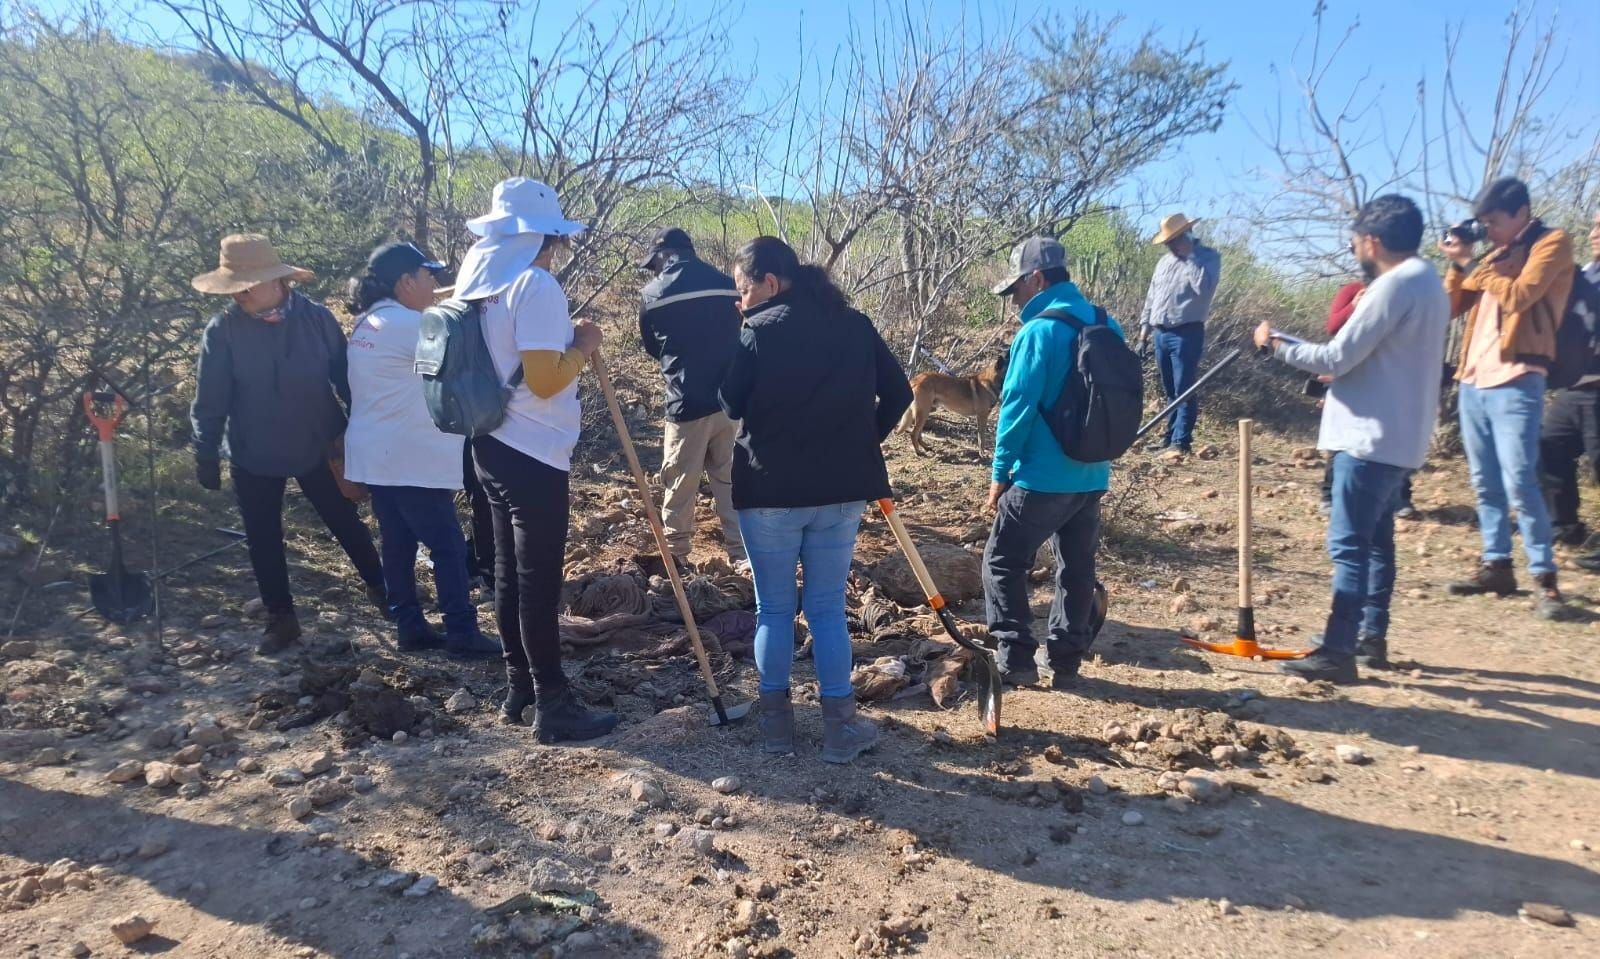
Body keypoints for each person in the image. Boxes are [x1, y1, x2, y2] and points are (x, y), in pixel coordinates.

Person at [718, 236, 912, 764]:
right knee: (826, 610)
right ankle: (840, 729)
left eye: (743, 290)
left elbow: (729, 402)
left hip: (769, 492)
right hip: (842, 492)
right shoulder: (856, 324)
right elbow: (900, 394)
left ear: (770, 283)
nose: (741, 301)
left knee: (774, 610)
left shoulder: (756, 331)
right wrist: (861, 441)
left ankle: (776, 730)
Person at [1255, 194, 1449, 682]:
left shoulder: (1392, 287)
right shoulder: (1429, 281)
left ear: (1373, 241)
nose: (1353, 249)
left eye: (1356, 240)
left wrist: (1276, 344)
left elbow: (1336, 359)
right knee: (1377, 544)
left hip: (1367, 439)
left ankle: (1338, 651)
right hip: (1399, 436)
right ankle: (1369, 638)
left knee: (1350, 547)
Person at [457, 177, 617, 743]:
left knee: (508, 573)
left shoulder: (476, 279)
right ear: (544, 237)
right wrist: (583, 345)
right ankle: (553, 702)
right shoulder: (535, 284)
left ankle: (519, 688)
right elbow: (547, 380)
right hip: (533, 449)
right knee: (538, 580)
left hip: (487, 444)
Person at [190, 234, 386, 655]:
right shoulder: (223, 331)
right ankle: (281, 619)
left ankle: (383, 589)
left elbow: (347, 379)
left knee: (343, 518)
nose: (240, 293)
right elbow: (210, 398)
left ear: (277, 282)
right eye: (235, 286)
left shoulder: (316, 319)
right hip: (252, 449)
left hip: (318, 441)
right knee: (262, 535)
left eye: (248, 284)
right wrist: (205, 450)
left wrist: (364, 428)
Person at [343, 242, 500, 658]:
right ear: (406, 281)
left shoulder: (368, 323)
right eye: (428, 276)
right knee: (446, 546)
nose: (434, 284)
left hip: (379, 454)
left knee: (397, 543)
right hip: (408, 457)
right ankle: (462, 633)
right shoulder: (406, 325)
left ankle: (409, 626)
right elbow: (464, 347)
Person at [984, 237, 1122, 689]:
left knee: (1003, 561)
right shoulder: (1106, 323)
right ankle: (1065, 660)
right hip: (1093, 473)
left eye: (1016, 289)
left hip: (1042, 477)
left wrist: (1001, 474)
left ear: (1037, 279)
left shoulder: (1039, 331)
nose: (1014, 301)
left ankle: (1016, 659)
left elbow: (1017, 406)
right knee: (1076, 567)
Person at [1441, 177, 1575, 619]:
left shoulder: (1551, 242)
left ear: (1522, 213)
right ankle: (1496, 564)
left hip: (1518, 373)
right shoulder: (1494, 255)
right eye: (1484, 224)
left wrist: (1477, 268)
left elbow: (1521, 295)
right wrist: (1458, 265)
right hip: (1474, 376)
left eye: (1494, 222)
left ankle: (1545, 579)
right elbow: (1451, 307)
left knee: (1520, 478)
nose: (1490, 231)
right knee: (1484, 480)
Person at [637, 227, 745, 568]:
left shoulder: (653, 293)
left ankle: (677, 558)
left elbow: (654, 348)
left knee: (680, 482)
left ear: (663, 256)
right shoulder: (727, 284)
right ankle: (742, 555)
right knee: (731, 481)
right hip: (730, 402)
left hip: (686, 405)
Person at [1317, 280, 1418, 518]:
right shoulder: (1354, 289)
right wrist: (1354, 304)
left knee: (1396, 435)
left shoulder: (1406, 291)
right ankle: (1330, 495)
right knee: (1342, 437)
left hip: (1393, 373)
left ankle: (1399, 496)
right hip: (1353, 371)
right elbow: (1333, 326)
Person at [1538, 207, 1600, 570]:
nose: (1595, 233)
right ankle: (1565, 525)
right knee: (1548, 445)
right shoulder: (1584, 275)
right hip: (1575, 387)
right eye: (1594, 226)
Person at [1139, 212, 1222, 454]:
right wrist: (1144, 333)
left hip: (1187, 332)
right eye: (1167, 242)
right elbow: (1152, 297)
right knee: (1169, 390)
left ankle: (1180, 442)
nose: (1169, 246)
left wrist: (1190, 258)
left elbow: (1204, 289)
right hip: (1160, 332)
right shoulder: (1163, 263)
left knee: (1184, 389)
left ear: (1184, 236)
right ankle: (1169, 438)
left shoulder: (1209, 258)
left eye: (1172, 241)